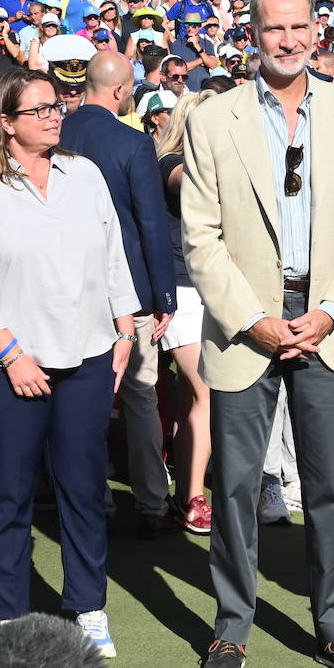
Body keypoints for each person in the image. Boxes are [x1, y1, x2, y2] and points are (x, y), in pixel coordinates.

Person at [181, 0, 334, 668]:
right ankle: (231, 628)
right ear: (253, 35)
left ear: (316, 31)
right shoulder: (213, 119)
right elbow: (200, 237)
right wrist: (255, 320)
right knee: (235, 487)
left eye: (299, 28)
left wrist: (328, 312)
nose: (288, 41)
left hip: (326, 323)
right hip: (245, 328)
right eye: (274, 30)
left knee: (328, 486)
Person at [0, 69, 139, 655]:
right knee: (6, 494)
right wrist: (12, 356)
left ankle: (88, 606)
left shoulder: (84, 175)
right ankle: (7, 617)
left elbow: (112, 251)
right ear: (6, 123)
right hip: (3, 364)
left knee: (83, 488)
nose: (55, 115)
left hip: (86, 354)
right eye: (39, 110)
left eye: (57, 106)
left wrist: (125, 325)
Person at [60, 51, 181, 539]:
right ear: (119, 90)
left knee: (80, 393)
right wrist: (164, 296)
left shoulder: (54, 134)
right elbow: (151, 223)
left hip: (68, 285)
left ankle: (92, 500)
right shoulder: (132, 142)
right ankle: (152, 501)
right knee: (139, 393)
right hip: (128, 290)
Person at [154, 93, 214, 534]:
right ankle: (194, 495)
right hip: (180, 289)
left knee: (190, 398)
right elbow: (186, 182)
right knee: (205, 390)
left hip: (212, 286)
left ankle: (180, 495)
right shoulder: (171, 161)